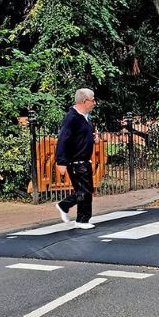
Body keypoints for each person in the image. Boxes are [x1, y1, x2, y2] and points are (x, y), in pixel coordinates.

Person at [55, 88, 97, 229]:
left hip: (83, 160)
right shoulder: (72, 118)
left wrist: (93, 138)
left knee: (85, 190)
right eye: (93, 100)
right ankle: (82, 220)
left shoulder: (84, 117)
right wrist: (61, 161)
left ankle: (64, 205)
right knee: (85, 190)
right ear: (84, 101)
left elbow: (81, 136)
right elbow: (63, 140)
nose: (94, 103)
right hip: (76, 161)